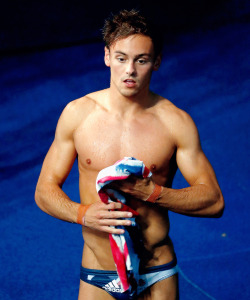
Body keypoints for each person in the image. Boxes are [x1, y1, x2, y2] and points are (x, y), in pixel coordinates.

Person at [35, 9, 224, 300]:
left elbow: (214, 201)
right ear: (107, 56)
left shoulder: (175, 122)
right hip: (99, 270)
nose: (130, 71)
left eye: (141, 60)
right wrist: (82, 213)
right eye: (121, 58)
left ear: (157, 62)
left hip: (156, 270)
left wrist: (153, 192)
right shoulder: (77, 115)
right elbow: (44, 190)